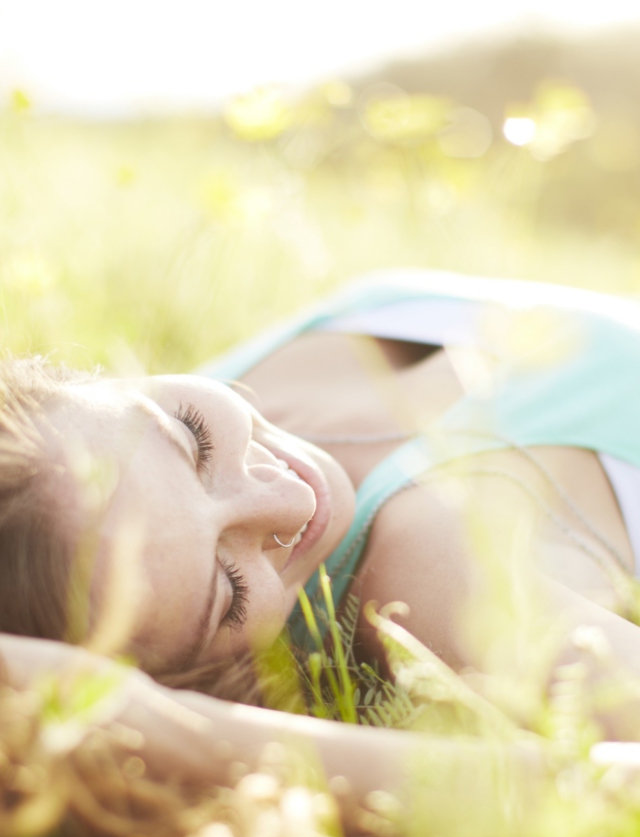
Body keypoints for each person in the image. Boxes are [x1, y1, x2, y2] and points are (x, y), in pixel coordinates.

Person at [2, 269, 640, 804]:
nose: (292, 499)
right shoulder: (427, 571)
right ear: (200, 675)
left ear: (77, 381)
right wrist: (171, 730)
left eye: (194, 439)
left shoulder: (230, 385)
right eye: (231, 591)